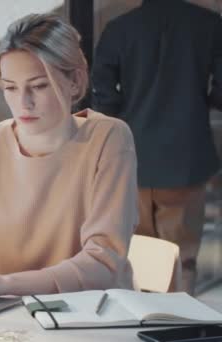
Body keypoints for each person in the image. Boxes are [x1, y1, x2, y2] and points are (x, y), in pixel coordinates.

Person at [0, 13, 139, 304]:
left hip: (96, 311)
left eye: (39, 85)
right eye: (10, 87)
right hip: (15, 312)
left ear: (75, 81)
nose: (23, 102)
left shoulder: (110, 138)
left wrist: (5, 283)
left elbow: (102, 263)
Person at [91, 0, 222, 294]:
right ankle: (178, 328)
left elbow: (103, 95)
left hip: (131, 161)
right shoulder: (209, 25)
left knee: (136, 256)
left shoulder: (119, 28)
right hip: (185, 160)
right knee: (182, 258)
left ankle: (140, 328)